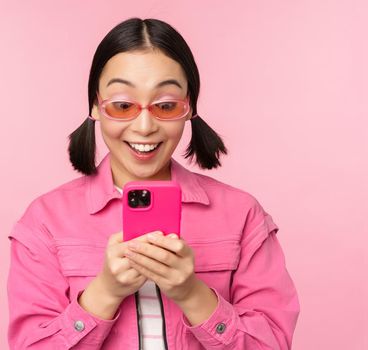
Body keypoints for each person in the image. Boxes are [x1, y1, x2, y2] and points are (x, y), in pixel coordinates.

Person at [6, 17, 300, 349]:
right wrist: (103, 294)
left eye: (165, 105)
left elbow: (272, 344)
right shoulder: (44, 221)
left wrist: (192, 294)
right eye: (122, 105)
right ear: (95, 107)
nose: (144, 126)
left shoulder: (243, 214)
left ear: (189, 108)